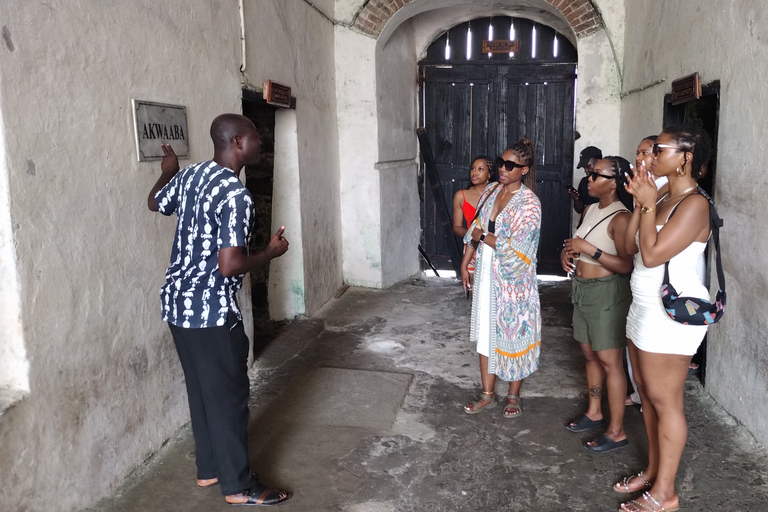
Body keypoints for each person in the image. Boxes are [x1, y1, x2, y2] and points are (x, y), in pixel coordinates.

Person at [147, 114, 291, 506]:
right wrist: (270, 253)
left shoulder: (191, 175)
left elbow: (155, 201)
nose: (261, 144)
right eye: (257, 138)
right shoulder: (235, 195)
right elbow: (229, 264)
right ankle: (239, 486)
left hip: (178, 303)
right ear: (239, 142)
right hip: (211, 311)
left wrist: (168, 172)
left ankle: (209, 470)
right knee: (228, 398)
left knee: (201, 390)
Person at [615, 123, 713, 512]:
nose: (650, 157)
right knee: (647, 398)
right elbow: (630, 248)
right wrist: (643, 202)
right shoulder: (662, 197)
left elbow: (654, 256)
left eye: (660, 150)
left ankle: (666, 493)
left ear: (685, 158)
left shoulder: (695, 204)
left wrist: (647, 204)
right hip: (644, 308)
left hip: (672, 315)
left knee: (665, 400)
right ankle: (655, 471)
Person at [460, 138, 542, 418]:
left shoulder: (529, 204)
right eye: (501, 163)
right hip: (485, 273)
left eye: (510, 165)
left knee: (513, 334)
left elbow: (518, 249)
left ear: (524, 169)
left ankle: (513, 395)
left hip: (513, 282)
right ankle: (487, 394)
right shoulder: (493, 191)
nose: (502, 169)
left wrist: (483, 237)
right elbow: (476, 227)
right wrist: (466, 260)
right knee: (486, 332)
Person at [561, 157, 634, 453]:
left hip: (607, 294)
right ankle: (595, 411)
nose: (588, 178)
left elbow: (626, 264)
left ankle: (617, 431)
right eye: (590, 174)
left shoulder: (622, 218)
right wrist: (569, 255)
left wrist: (588, 249)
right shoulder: (590, 209)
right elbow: (577, 243)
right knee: (589, 354)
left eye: (595, 174)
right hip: (583, 290)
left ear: (615, 183)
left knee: (610, 362)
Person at [452, 156, 496, 274]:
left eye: (480, 169)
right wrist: (472, 234)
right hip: (472, 247)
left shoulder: (497, 195)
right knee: (473, 287)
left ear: (489, 174)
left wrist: (484, 236)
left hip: (493, 246)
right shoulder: (461, 196)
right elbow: (456, 227)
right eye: (473, 168)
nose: (475, 172)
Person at [568, 145, 602, 214]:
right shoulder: (584, 182)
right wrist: (576, 199)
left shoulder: (609, 182)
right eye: (584, 168)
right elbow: (579, 210)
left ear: (598, 162)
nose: (586, 171)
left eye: (588, 166)